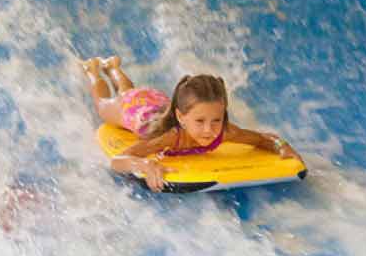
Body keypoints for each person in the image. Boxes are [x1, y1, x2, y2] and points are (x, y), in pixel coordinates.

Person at [82, 56, 301, 192]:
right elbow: (119, 160)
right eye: (200, 121)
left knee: (130, 89)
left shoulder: (224, 132)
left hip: (158, 101)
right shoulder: (170, 137)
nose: (209, 129)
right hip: (133, 110)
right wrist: (145, 165)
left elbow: (263, 138)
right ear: (180, 117)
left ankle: (113, 68)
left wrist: (281, 147)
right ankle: (93, 70)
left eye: (216, 119)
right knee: (104, 104)